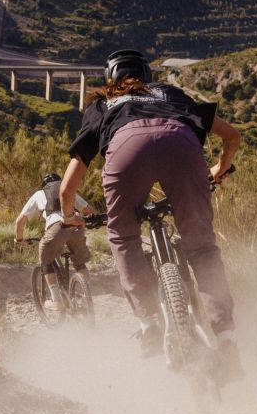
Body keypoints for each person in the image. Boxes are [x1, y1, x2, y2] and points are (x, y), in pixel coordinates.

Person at [58, 49, 242, 384]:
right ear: (147, 75)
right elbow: (232, 136)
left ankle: (149, 325)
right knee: (201, 247)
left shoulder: (103, 105)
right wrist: (218, 169)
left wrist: (69, 215)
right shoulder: (170, 93)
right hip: (181, 145)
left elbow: (69, 184)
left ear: (110, 78)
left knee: (124, 237)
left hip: (127, 151)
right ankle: (227, 339)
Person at [15, 173, 95, 311]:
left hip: (57, 227)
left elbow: (20, 221)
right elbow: (89, 211)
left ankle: (56, 300)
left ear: (44, 185)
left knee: (45, 259)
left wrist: (19, 239)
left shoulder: (39, 194)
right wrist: (83, 223)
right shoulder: (67, 190)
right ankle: (86, 297)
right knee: (79, 262)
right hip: (75, 226)